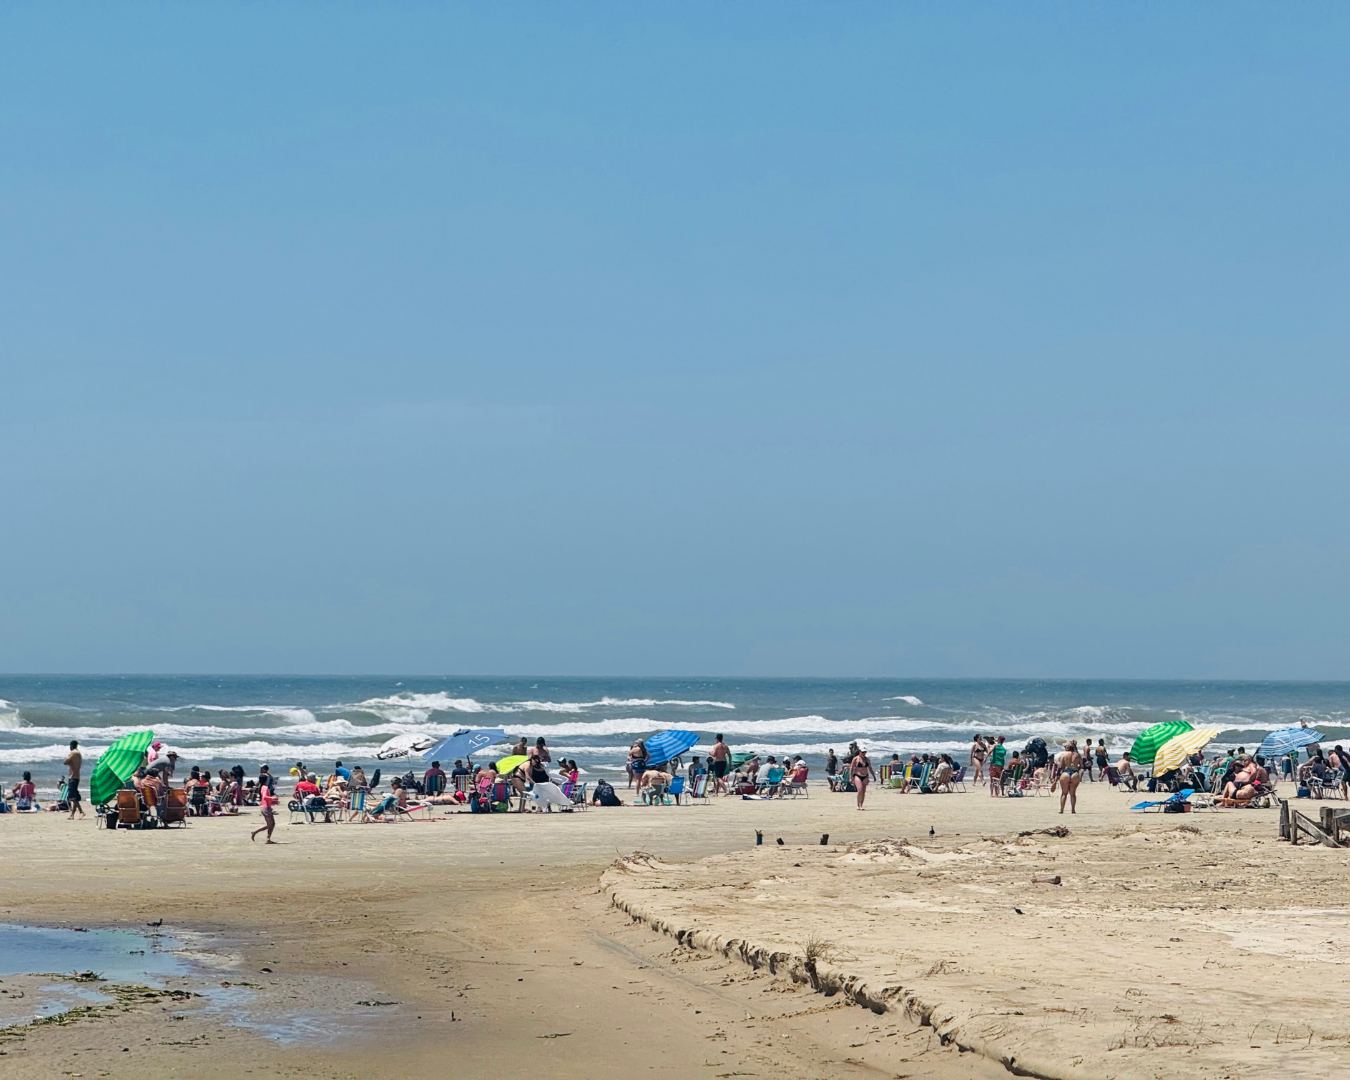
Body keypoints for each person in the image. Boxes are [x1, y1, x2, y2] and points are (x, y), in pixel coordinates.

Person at [1057, 740, 1083, 814]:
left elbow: (1061, 766)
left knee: (1064, 793)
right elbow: (1082, 766)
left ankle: (1061, 809)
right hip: (1075, 773)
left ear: (1068, 748)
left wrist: (1058, 775)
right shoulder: (1077, 755)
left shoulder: (1064, 755)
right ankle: (1073, 810)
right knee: (1073, 793)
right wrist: (1077, 769)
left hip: (1066, 773)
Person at [252, 775, 279, 843]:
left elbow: (265, 799)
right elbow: (264, 797)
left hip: (265, 807)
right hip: (265, 808)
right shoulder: (265, 787)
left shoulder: (262, 787)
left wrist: (273, 801)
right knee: (270, 824)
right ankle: (256, 832)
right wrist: (273, 798)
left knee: (271, 824)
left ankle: (268, 838)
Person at [64, 740, 85, 819]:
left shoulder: (73, 753)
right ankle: (81, 812)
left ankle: (73, 814)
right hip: (77, 776)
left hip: (72, 776)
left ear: (71, 746)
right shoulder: (79, 754)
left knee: (73, 797)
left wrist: (69, 762)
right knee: (74, 795)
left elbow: (65, 762)